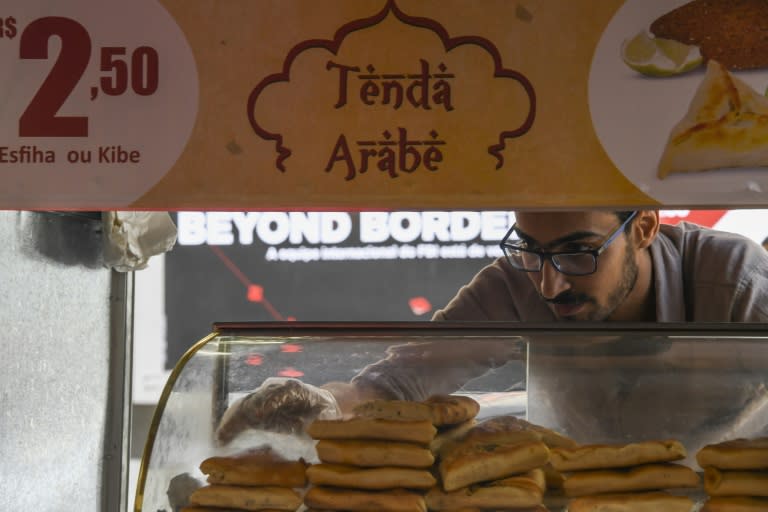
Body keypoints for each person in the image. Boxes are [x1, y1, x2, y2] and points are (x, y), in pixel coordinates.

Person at [217, 209, 768, 444]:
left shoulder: (734, 285)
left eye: (578, 253)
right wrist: (324, 405)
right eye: (531, 250)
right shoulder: (514, 283)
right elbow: (396, 386)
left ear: (644, 227)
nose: (550, 286)